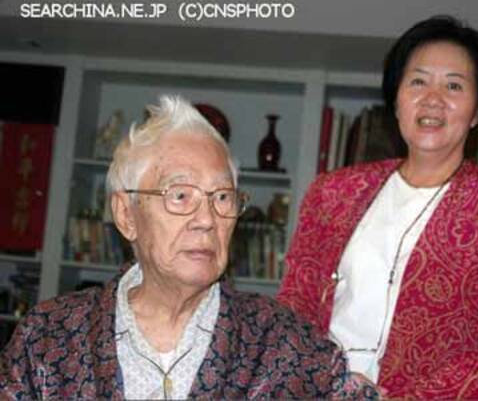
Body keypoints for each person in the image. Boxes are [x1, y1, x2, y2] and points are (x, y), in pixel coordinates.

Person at [0, 95, 377, 400]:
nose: (206, 219)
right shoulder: (49, 336)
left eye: (222, 198)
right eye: (180, 195)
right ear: (126, 214)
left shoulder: (284, 341)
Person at [278, 15, 478, 399]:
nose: (433, 98)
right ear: (396, 100)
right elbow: (295, 306)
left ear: (476, 112)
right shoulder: (333, 193)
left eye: (454, 85)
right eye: (418, 81)